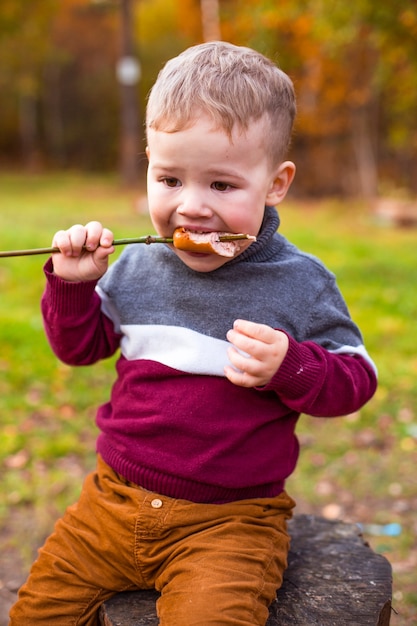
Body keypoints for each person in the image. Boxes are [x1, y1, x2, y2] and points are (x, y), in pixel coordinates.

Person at [9, 41, 377, 626]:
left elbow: (357, 379)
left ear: (276, 184)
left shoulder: (299, 283)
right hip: (110, 503)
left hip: (230, 523)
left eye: (222, 186)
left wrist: (291, 367)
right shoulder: (136, 267)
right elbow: (80, 349)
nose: (191, 207)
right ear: (149, 163)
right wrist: (73, 285)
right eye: (170, 179)